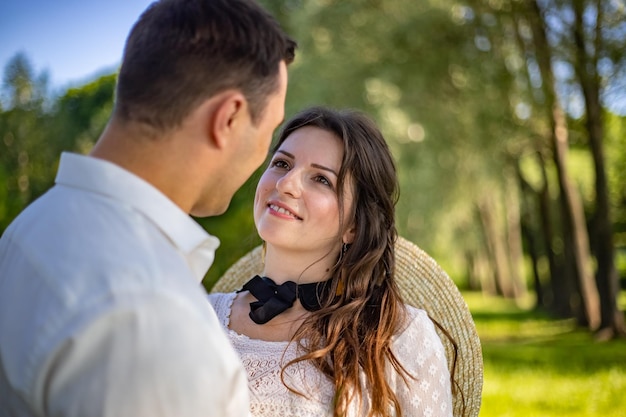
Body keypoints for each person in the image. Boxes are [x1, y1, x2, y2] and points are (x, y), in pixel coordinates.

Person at [0, 0, 295, 416]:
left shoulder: (30, 229)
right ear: (228, 118)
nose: (264, 158)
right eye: (268, 131)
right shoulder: (152, 319)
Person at [208, 106, 454, 417]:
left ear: (353, 226)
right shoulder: (198, 317)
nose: (286, 184)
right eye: (282, 163)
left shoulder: (398, 337)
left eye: (322, 180)